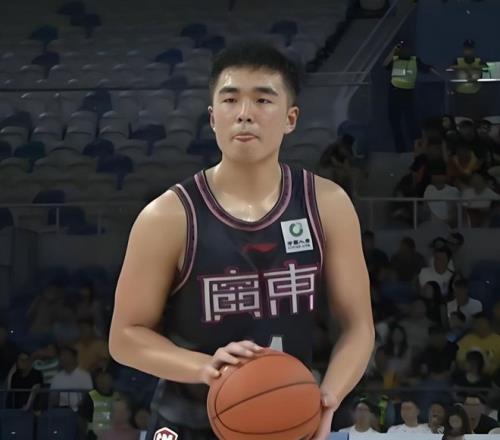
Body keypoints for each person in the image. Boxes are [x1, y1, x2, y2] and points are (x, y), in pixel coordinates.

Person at [108, 41, 375, 440]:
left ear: (291, 118)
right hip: (188, 421)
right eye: (231, 100)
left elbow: (358, 327)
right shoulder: (167, 216)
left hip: (287, 418)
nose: (245, 113)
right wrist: (205, 368)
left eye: (263, 100)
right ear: (213, 118)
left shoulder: (327, 204)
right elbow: (124, 337)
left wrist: (328, 398)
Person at [382, 40, 440, 152]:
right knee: (395, 123)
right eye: (402, 48)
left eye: (406, 48)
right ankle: (400, 149)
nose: (405, 50)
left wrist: (441, 76)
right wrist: (394, 50)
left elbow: (427, 68)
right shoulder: (395, 59)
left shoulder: (415, 60)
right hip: (394, 93)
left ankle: (416, 148)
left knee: (411, 122)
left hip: (407, 94)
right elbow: (385, 64)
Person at [448, 39, 488, 119]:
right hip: (460, 94)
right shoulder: (457, 61)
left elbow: (487, 71)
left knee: (476, 115)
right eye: (467, 49)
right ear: (463, 49)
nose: (468, 51)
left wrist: (476, 69)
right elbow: (450, 71)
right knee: (461, 116)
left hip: (475, 93)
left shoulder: (479, 61)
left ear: (474, 50)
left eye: (470, 49)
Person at [50, 346, 93, 411]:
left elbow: (88, 395)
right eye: (61, 355)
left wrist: (78, 408)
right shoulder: (57, 377)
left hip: (80, 411)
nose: (63, 357)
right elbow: (53, 397)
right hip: (61, 411)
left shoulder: (85, 375)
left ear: (74, 357)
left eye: (66, 355)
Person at [79, 370, 119, 439]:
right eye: (100, 381)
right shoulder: (90, 397)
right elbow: (82, 418)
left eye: (105, 380)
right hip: (94, 435)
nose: (103, 383)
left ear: (111, 381)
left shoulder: (118, 396)